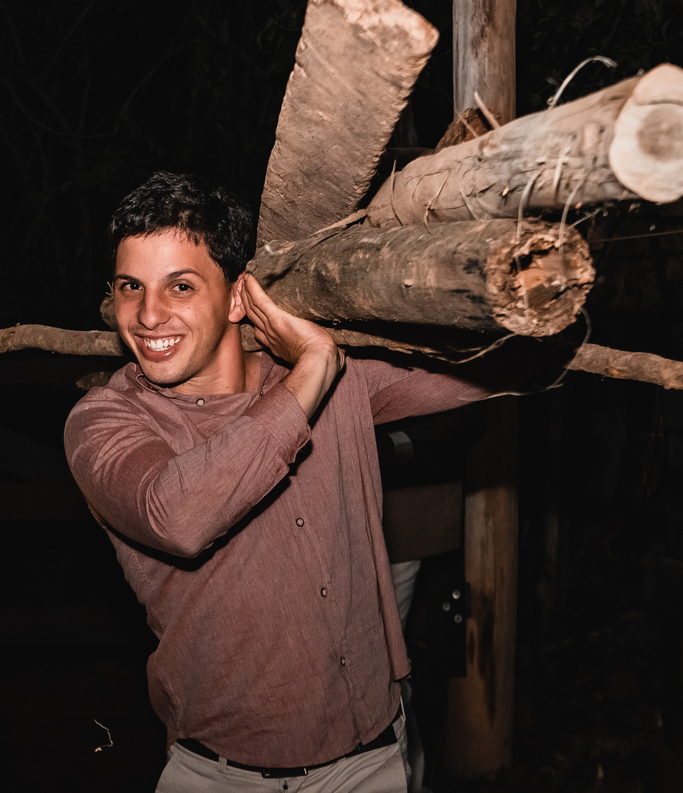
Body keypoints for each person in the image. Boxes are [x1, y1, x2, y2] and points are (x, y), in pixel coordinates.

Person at [64, 171, 512, 792]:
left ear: (238, 298)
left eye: (180, 286)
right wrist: (313, 370)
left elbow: (500, 364)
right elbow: (178, 517)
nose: (148, 314)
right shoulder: (104, 421)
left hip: (368, 765)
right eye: (130, 287)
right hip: (219, 776)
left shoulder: (337, 378)